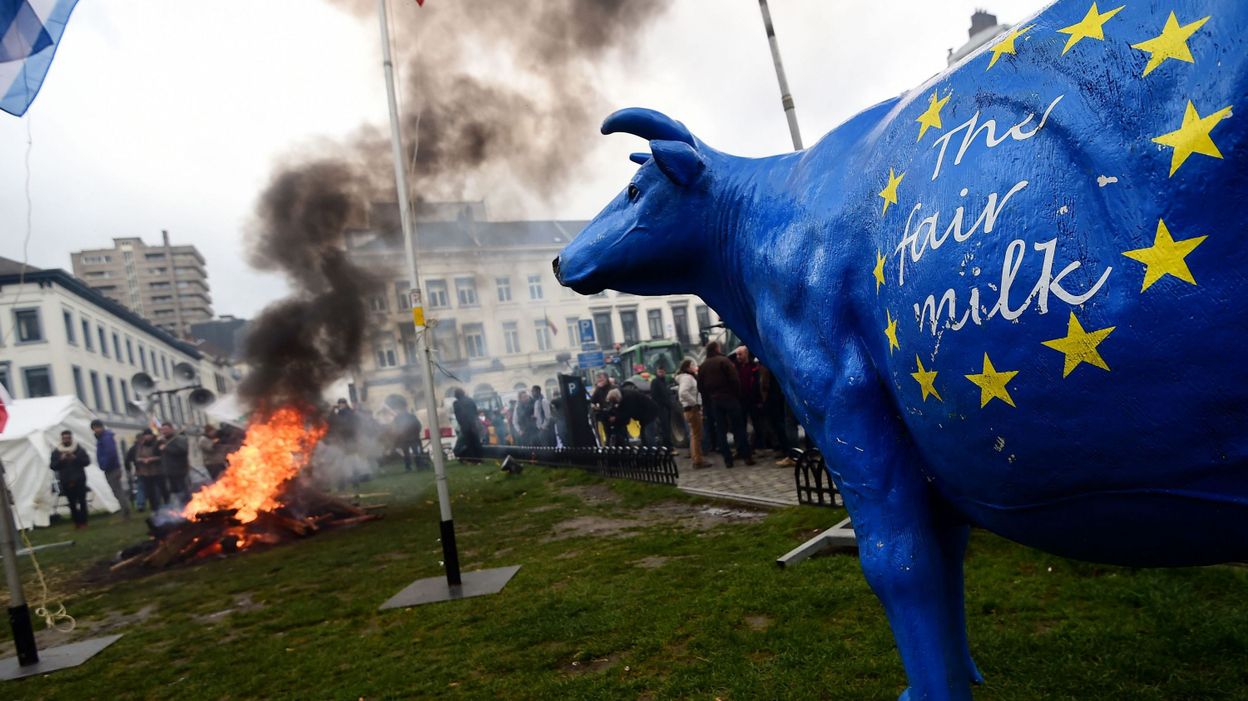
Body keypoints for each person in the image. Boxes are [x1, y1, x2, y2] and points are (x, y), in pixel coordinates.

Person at [698, 341, 754, 467]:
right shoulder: (724, 361)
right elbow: (734, 379)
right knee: (739, 428)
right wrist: (736, 395)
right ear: (717, 348)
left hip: (715, 401)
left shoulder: (703, 366)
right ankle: (746, 456)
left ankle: (727, 459)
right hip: (730, 399)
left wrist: (709, 400)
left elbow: (700, 387)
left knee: (721, 431)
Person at [49, 430, 91, 528]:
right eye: (64, 438)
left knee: (82, 501)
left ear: (71, 438)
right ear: (62, 439)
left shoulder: (79, 449)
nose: (66, 440)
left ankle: (84, 522)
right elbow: (52, 466)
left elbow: (87, 462)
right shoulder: (57, 452)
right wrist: (61, 460)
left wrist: (75, 458)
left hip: (79, 479)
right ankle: (76, 522)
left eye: (68, 438)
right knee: (72, 503)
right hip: (66, 480)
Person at [91, 419, 130, 518]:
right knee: (117, 490)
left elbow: (110, 453)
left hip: (111, 468)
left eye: (96, 428)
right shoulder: (103, 438)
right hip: (111, 467)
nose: (95, 430)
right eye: (94, 428)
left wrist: (104, 465)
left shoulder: (105, 438)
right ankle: (125, 510)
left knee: (117, 490)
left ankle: (125, 511)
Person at [734, 346, 767, 452]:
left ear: (746, 354)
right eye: (737, 354)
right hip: (741, 400)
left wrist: (759, 400)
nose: (738, 356)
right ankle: (743, 448)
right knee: (741, 425)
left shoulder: (754, 367)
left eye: (740, 354)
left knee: (757, 425)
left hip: (753, 400)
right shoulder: (735, 367)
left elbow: (758, 385)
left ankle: (760, 446)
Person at [676, 360, 706, 468]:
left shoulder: (689, 377)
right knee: (696, 435)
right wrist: (694, 403)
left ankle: (697, 458)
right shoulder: (687, 378)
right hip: (692, 410)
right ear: (687, 368)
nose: (695, 366)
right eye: (693, 365)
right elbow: (683, 393)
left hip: (691, 409)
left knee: (695, 434)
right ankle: (698, 460)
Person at [134, 429, 167, 510]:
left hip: (156, 472)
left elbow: (161, 456)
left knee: (158, 491)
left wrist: (152, 459)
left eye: (149, 435)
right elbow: (137, 458)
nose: (147, 437)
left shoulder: (157, 444)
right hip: (145, 473)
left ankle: (161, 506)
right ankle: (154, 508)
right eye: (145, 435)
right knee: (150, 492)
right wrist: (142, 460)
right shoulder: (141, 446)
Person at [158, 422, 191, 502]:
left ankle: (188, 507)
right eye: (162, 430)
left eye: (166, 429)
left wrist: (167, 448)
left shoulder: (179, 439)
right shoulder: (164, 441)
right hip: (168, 471)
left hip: (180, 471)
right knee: (174, 492)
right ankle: (178, 509)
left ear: (171, 429)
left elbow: (183, 451)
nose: (164, 431)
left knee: (183, 491)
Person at [452, 388, 483, 462]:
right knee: (476, 442)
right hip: (473, 424)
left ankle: (474, 460)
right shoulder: (470, 400)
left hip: (465, 426)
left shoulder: (456, 403)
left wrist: (462, 424)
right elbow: (475, 412)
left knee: (469, 443)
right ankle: (480, 459)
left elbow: (458, 416)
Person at [649, 365, 674, 448]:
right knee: (664, 427)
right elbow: (654, 396)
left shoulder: (665, 382)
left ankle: (667, 444)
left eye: (663, 372)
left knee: (668, 427)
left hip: (667, 407)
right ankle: (667, 445)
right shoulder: (655, 382)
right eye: (660, 372)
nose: (661, 373)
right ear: (656, 372)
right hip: (661, 408)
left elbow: (667, 394)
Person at [393, 406, 424, 472]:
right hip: (410, 438)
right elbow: (418, 426)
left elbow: (418, 426)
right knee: (414, 453)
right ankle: (417, 466)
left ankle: (410, 467)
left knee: (409, 453)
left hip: (407, 439)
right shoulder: (411, 416)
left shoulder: (398, 418)